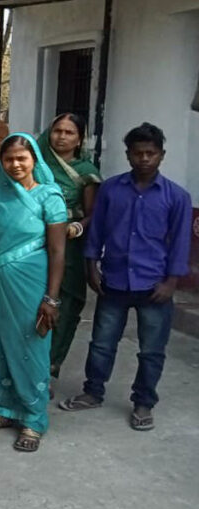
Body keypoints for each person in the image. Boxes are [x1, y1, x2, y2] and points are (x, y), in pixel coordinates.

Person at [59, 123, 192, 431]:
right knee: (102, 342)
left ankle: (144, 402)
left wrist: (172, 282)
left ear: (162, 155)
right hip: (114, 281)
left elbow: (181, 242)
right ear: (128, 155)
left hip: (154, 285)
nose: (144, 158)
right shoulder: (111, 190)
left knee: (151, 350)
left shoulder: (177, 197)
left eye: (151, 153)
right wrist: (91, 265)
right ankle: (93, 391)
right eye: (138, 153)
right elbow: (98, 229)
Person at [0, 134, 67, 452]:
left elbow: (58, 251)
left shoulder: (49, 196)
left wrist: (51, 298)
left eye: (21, 159)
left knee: (30, 347)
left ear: (34, 160)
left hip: (31, 283)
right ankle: (0, 410)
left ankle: (32, 418)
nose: (15, 165)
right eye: (8, 159)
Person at [39, 113, 102, 379]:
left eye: (69, 133)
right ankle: (29, 366)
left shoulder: (86, 173)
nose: (61, 137)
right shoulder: (36, 164)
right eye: (57, 131)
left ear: (79, 139)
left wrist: (78, 226)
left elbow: (93, 213)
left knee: (63, 306)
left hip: (69, 243)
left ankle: (51, 365)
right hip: (36, 240)